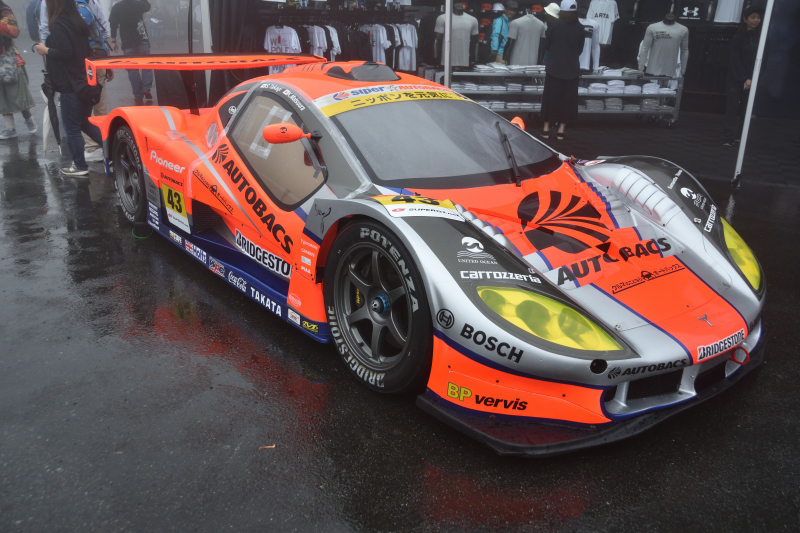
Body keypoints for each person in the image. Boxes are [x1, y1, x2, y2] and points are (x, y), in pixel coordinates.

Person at [33, 0, 104, 177]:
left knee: (72, 127)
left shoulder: (58, 23)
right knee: (85, 122)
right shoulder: (78, 21)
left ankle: (80, 166)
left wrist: (45, 50)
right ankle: (112, 151)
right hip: (84, 80)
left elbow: (66, 52)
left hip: (70, 83)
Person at [540, 0, 583, 140]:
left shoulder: (554, 25)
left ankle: (546, 128)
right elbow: (580, 49)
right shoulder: (580, 28)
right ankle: (561, 130)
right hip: (571, 68)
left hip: (554, 67)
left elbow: (548, 45)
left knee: (550, 98)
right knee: (567, 100)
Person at [722, 5, 762, 147]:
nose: (756, 20)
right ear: (745, 19)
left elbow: (762, 60)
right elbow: (734, 60)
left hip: (753, 78)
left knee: (747, 109)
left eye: (758, 18)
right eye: (753, 17)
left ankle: (741, 136)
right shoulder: (738, 38)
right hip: (736, 78)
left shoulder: (762, 38)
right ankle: (729, 137)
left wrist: (751, 78)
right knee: (732, 108)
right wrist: (744, 78)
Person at [0, 1, 37, 140]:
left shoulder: (4, 10)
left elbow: (14, 31)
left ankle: (29, 120)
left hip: (9, 57)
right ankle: (10, 128)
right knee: (1, 94)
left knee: (18, 92)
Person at [109, 0, 151, 105]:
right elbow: (148, 6)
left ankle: (138, 94)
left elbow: (113, 25)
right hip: (142, 39)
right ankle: (146, 88)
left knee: (132, 69)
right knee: (147, 65)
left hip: (128, 43)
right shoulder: (139, 4)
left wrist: (113, 41)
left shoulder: (117, 7)